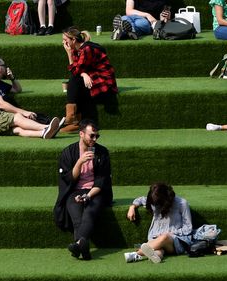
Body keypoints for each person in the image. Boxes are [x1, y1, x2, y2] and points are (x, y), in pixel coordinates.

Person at [53, 120, 113, 260]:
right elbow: (68, 180)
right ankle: (83, 247)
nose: (94, 139)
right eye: (91, 135)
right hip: (74, 191)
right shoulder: (68, 152)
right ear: (81, 134)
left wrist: (88, 196)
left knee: (90, 212)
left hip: (95, 191)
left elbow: (101, 182)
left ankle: (78, 246)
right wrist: (80, 162)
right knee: (76, 216)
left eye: (97, 136)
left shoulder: (102, 152)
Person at [0, 56, 61, 139]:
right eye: (4, 65)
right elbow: (2, 105)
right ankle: (47, 127)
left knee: (17, 129)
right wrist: (24, 112)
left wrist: (12, 78)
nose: (6, 68)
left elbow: (17, 89)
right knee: (17, 117)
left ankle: (43, 133)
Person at [60, 28, 118, 132]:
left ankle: (71, 116)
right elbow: (78, 69)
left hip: (104, 81)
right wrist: (83, 74)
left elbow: (75, 71)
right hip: (92, 75)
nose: (63, 43)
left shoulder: (86, 49)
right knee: (76, 81)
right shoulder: (77, 49)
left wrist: (69, 54)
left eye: (65, 40)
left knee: (75, 80)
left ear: (73, 40)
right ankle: (76, 121)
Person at [123, 182, 192, 264]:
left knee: (164, 237)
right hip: (155, 236)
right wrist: (132, 207)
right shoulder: (153, 200)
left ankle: (137, 253)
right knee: (157, 252)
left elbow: (188, 228)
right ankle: (153, 256)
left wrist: (170, 233)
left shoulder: (182, 203)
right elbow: (140, 199)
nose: (155, 206)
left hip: (174, 240)